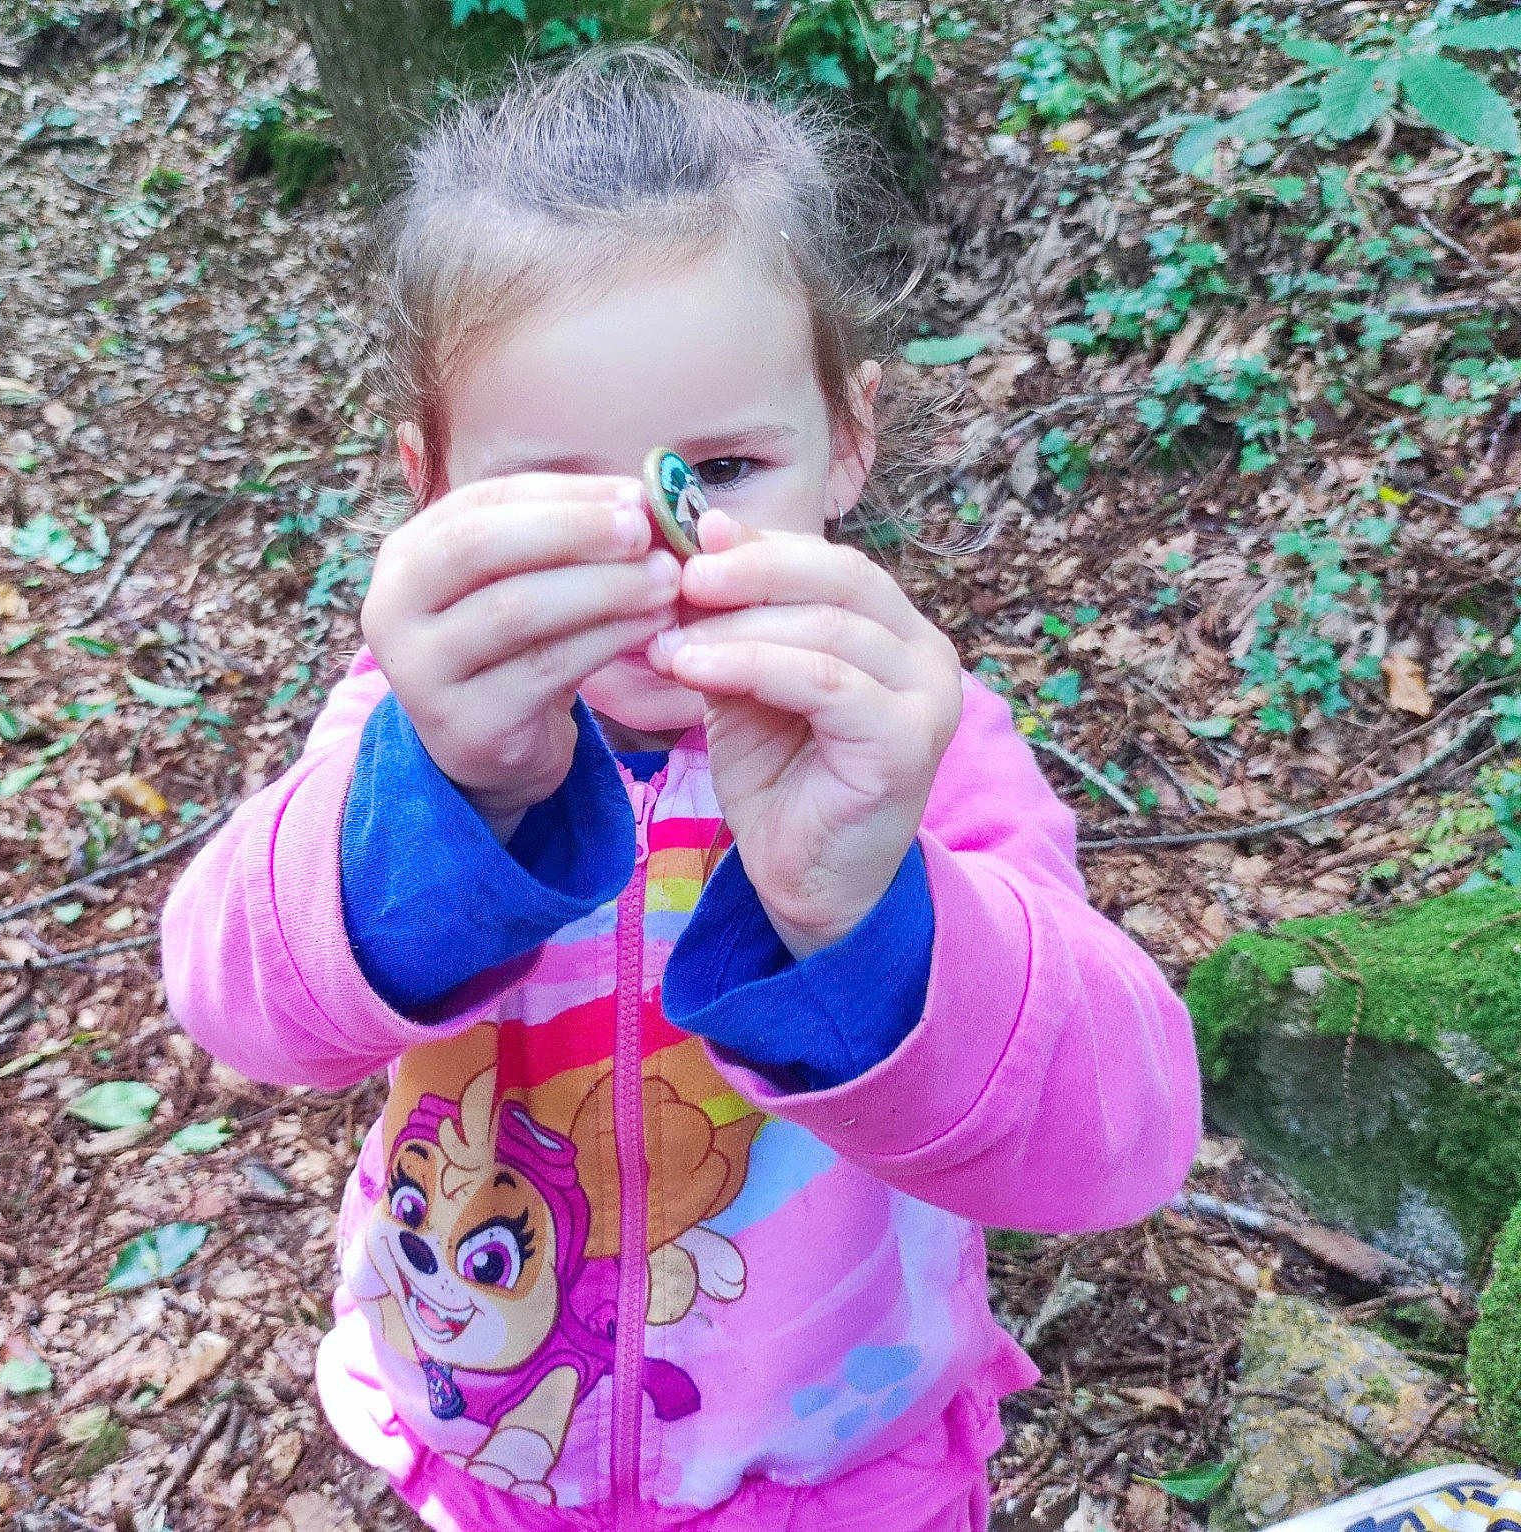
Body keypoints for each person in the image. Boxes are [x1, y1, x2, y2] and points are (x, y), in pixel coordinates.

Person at [161, 45, 1200, 1532]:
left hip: (847, 1482)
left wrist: (866, 911)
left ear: (847, 443)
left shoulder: (909, 751)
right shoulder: (412, 732)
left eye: (715, 468)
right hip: (496, 1450)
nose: (652, 547)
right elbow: (237, 1005)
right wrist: (451, 804)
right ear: (430, 485)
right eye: (553, 496)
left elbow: (1122, 1144)